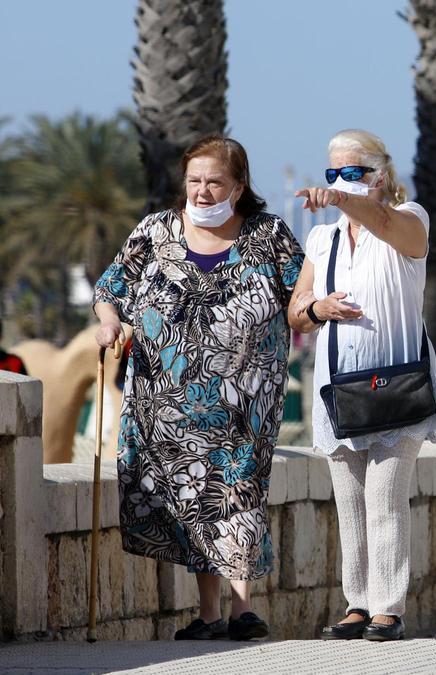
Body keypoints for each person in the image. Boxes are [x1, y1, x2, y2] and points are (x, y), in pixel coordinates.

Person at [93, 136, 304, 640]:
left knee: (237, 493)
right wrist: (109, 325)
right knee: (194, 501)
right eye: (194, 181)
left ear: (239, 185)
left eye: (215, 182)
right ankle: (210, 614)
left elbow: (303, 293)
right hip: (167, 403)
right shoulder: (155, 231)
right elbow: (110, 289)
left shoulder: (267, 234)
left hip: (245, 400)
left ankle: (241, 609)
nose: (203, 191)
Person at [288, 129, 436, 642]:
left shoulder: (411, 219)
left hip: (400, 387)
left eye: (352, 173)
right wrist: (319, 309)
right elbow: (296, 310)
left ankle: (388, 607)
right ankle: (357, 602)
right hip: (341, 391)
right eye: (332, 174)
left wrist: (340, 199)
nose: (339, 183)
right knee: (350, 505)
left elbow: (382, 221)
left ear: (379, 175)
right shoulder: (322, 238)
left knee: (384, 498)